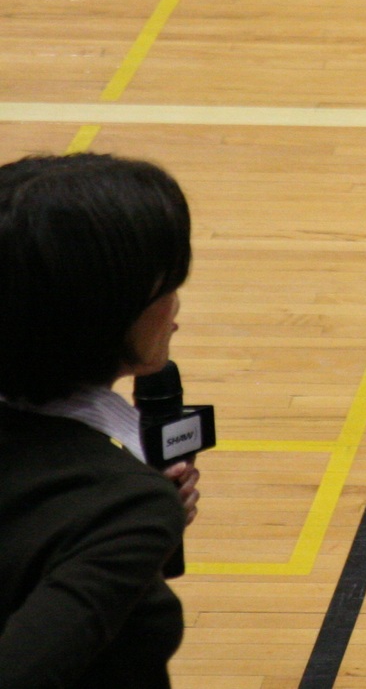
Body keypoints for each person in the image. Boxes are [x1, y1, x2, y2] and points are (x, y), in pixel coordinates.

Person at [0, 153, 203, 689]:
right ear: (107, 313)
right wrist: (126, 523)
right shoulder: (125, 506)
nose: (176, 307)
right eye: (165, 287)